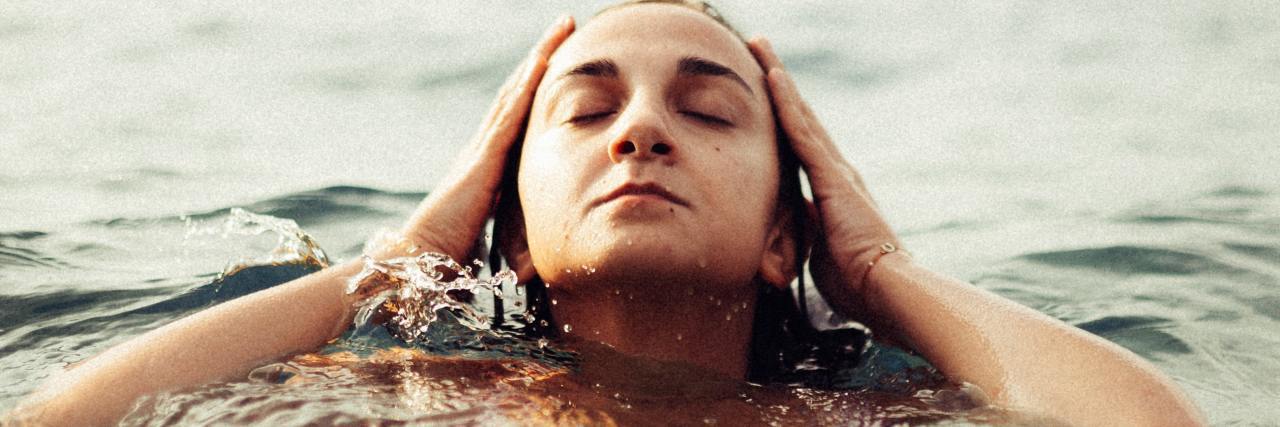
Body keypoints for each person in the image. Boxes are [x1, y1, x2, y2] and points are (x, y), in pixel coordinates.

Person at [10, 1, 1204, 425]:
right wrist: (402, 262)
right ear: (515, 228)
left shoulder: (869, 409)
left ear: (784, 231)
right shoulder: (412, 392)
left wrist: (879, 266)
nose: (641, 128)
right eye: (584, 112)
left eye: (710, 110)